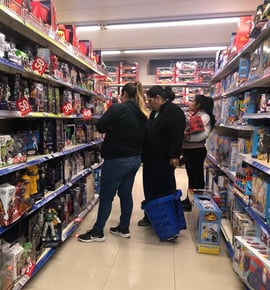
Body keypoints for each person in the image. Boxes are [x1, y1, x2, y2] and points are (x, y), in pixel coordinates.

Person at [78, 82, 149, 242]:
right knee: (125, 194)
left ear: (123, 94)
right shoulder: (143, 112)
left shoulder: (119, 108)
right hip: (135, 158)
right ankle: (124, 228)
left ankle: (97, 232)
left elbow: (101, 126)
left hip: (117, 159)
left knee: (106, 196)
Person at [138, 86, 186, 227]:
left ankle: (169, 218)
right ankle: (151, 215)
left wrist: (175, 155)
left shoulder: (174, 112)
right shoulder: (155, 113)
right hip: (150, 158)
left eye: (151, 100)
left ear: (159, 98)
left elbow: (177, 135)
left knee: (165, 188)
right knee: (150, 188)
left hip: (164, 158)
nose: (149, 103)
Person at [181, 94, 216, 211]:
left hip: (195, 150)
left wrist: (185, 136)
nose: (190, 103)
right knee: (191, 177)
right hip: (189, 150)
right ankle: (189, 199)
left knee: (197, 178)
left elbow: (201, 134)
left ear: (198, 104)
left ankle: (198, 202)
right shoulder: (196, 115)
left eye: (192, 101)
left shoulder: (203, 116)